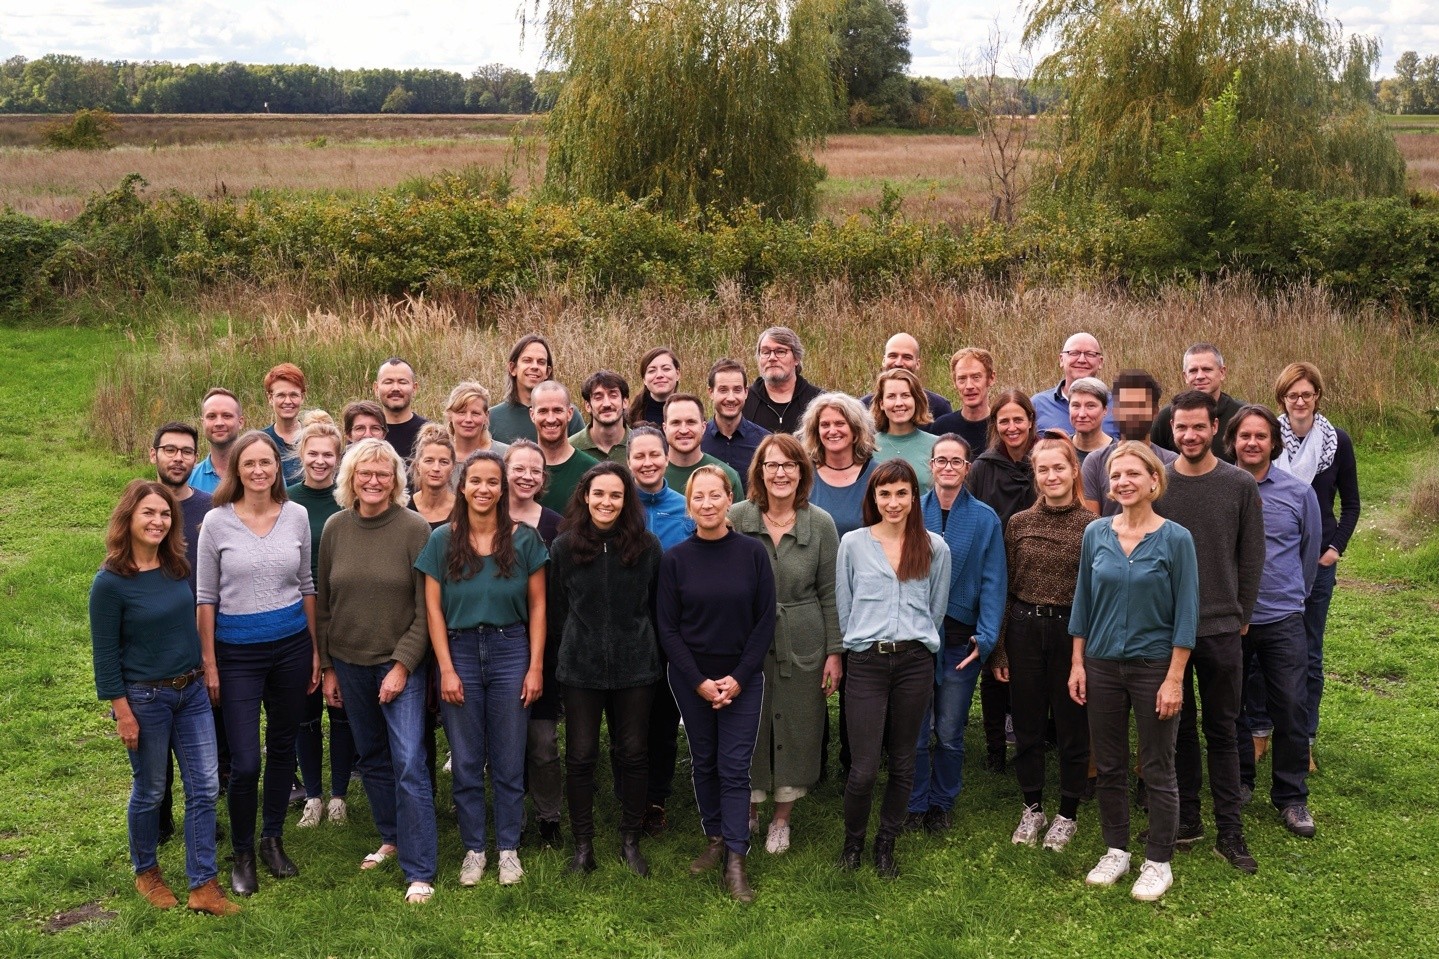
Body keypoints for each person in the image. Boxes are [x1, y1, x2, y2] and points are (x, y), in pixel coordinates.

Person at [89, 480, 239, 916]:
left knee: (205, 787)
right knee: (152, 789)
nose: (158, 521)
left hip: (190, 691)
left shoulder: (177, 565)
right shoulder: (111, 583)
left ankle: (203, 884)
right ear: (128, 520)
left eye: (165, 514)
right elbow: (104, 655)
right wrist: (122, 712)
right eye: (148, 513)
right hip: (145, 698)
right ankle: (146, 871)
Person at [1068, 441, 1198, 902]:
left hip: (1153, 668)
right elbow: (1083, 601)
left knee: (1158, 766)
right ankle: (1116, 849)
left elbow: (1187, 614)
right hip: (1101, 665)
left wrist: (1175, 677)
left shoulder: (1176, 539)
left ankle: (1158, 860)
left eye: (1131, 475)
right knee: (1109, 764)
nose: (1122, 482)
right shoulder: (1096, 534)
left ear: (1152, 481)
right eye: (1115, 476)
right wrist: (1078, 662)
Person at [416, 451, 548, 887]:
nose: (484, 489)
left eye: (493, 482)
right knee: (468, 759)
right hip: (460, 651)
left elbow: (539, 606)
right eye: (476, 481)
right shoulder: (441, 540)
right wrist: (446, 669)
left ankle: (507, 847)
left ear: (503, 489)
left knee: (510, 758)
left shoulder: (525, 540)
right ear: (462, 486)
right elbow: (433, 610)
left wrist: (535, 667)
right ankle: (475, 848)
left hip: (512, 649)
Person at [196, 431, 318, 896]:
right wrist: (209, 661)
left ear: (278, 467)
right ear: (236, 470)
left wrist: (314, 648)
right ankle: (242, 852)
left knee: (283, 748)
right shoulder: (217, 523)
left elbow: (306, 583)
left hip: (290, 646)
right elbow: (206, 597)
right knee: (246, 761)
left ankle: (272, 840)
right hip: (236, 655)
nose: (259, 471)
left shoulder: (297, 516)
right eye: (250, 464)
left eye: (267, 462)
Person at [315, 439, 437, 903]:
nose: (373, 481)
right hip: (348, 662)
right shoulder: (334, 528)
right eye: (364, 473)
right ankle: (392, 837)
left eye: (382, 473)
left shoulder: (414, 528)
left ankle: (420, 869)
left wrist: (404, 665)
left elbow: (426, 609)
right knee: (373, 759)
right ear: (350, 478)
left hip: (397, 664)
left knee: (409, 761)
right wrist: (328, 667)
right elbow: (326, 603)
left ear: (396, 480)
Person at [1154, 390, 1266, 874]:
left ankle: (1230, 831)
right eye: (1181, 427)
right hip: (1166, 628)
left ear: (1216, 427)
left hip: (1221, 627)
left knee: (1222, 730)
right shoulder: (1161, 486)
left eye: (1198, 426)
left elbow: (1252, 555)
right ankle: (1186, 820)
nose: (1189, 435)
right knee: (1175, 730)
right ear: (1171, 429)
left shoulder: (1238, 484)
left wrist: (1242, 611)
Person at [658, 466, 777, 902]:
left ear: (731, 499)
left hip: (742, 677)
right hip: (692, 679)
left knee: (733, 766)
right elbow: (668, 629)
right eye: (698, 498)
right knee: (704, 760)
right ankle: (715, 838)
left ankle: (736, 859)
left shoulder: (752, 553)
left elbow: (765, 620)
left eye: (715, 495)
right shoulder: (675, 560)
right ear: (689, 506)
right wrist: (700, 682)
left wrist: (739, 678)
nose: (707, 504)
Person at [836, 460, 951, 878]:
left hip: (913, 663)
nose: (894, 502)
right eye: (884, 494)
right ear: (873, 498)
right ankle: (853, 843)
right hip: (867, 662)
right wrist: (859, 645)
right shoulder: (852, 543)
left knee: (904, 760)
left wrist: (914, 640)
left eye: (902, 493)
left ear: (913, 497)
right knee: (864, 768)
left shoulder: (935, 547)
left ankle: (886, 842)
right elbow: (844, 605)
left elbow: (936, 609)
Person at [548, 462, 664, 875]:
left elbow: (655, 606)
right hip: (580, 669)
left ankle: (630, 841)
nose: (606, 502)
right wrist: (572, 650)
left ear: (626, 500)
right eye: (599, 494)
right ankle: (583, 847)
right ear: (585, 497)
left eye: (616, 495)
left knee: (632, 753)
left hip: (636, 667)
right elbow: (557, 610)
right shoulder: (564, 547)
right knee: (580, 756)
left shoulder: (646, 546)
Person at [729, 434, 842, 855]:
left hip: (803, 635)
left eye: (789, 466)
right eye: (771, 465)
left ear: (802, 472)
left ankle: (782, 817)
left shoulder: (820, 523)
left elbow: (830, 593)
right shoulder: (738, 518)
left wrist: (834, 652)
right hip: (747, 638)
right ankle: (750, 806)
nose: (780, 473)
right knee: (750, 722)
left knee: (799, 723)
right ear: (759, 472)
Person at [1226, 405, 1321, 837]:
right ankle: (1241, 780)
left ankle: (1291, 796)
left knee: (1290, 706)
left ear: (1273, 442)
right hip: (1231, 618)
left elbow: (1308, 554)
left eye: (1260, 436)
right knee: (1233, 705)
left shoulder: (1299, 494)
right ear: (1232, 441)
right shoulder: (1221, 489)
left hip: (1282, 616)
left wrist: (1291, 598)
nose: (1251, 443)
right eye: (1244, 436)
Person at [906, 434, 1006, 834]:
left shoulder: (985, 518)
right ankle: (914, 802)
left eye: (956, 461)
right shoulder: (911, 512)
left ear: (968, 468)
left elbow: (994, 579)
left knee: (948, 728)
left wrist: (986, 638)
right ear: (930, 466)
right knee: (914, 728)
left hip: (960, 639)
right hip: (915, 634)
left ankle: (942, 802)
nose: (948, 467)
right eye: (941, 460)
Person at [1002, 436, 1095, 851]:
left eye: (1059, 468)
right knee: (1027, 724)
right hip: (1024, 628)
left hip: (1070, 633)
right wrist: (1002, 648)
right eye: (1043, 469)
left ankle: (1067, 813)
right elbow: (1005, 587)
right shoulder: (1019, 523)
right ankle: (1032, 806)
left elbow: (1095, 593)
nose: (1052, 476)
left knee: (1073, 725)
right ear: (1034, 475)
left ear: (1074, 470)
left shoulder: (1093, 526)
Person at [1272, 362, 1360, 764]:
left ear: (1317, 396)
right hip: (1275, 557)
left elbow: (1351, 504)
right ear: (1283, 399)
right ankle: (1260, 732)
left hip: (1318, 559)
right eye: (1293, 395)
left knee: (1309, 649)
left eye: (1307, 394)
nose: (1300, 401)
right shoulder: (1266, 437)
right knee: (1263, 646)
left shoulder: (1336, 441)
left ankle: (1304, 738)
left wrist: (1334, 548)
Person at [148, 420, 220, 843]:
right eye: (170, 450)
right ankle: (159, 815)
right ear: (153, 454)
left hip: (204, 634)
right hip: (156, 641)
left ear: (196, 458)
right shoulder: (142, 502)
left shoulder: (210, 507)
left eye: (186, 451)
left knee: (207, 730)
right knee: (156, 736)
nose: (178, 458)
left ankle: (208, 811)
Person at [286, 413, 355, 829]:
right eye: (313, 453)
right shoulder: (287, 500)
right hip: (295, 615)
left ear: (338, 457)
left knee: (340, 704)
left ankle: (340, 795)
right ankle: (312, 793)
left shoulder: (347, 501)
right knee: (304, 708)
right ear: (301, 455)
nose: (320, 461)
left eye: (328, 455)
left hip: (340, 613)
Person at [965, 389, 1038, 773]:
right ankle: (995, 747)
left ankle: (1035, 737)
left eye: (1018, 419)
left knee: (1030, 665)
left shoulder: (1044, 460)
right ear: (995, 425)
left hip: (1036, 574)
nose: (1012, 428)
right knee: (994, 663)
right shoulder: (982, 468)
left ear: (1030, 420)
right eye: (1004, 421)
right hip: (994, 575)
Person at [504, 439, 564, 846]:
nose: (526, 476)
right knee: (504, 741)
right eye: (518, 468)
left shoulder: (556, 525)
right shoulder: (483, 520)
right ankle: (512, 815)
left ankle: (549, 817)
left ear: (544, 478)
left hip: (544, 645)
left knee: (542, 742)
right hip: (496, 644)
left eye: (534, 470)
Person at [1081, 370, 1177, 517]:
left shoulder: (1171, 462)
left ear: (1155, 412)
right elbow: (1091, 524)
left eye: (1140, 405)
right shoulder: (1095, 462)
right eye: (1126, 405)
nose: (1132, 412)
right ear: (1115, 410)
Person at [801, 392, 878, 540]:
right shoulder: (802, 473)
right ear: (816, 431)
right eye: (824, 425)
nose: (832, 431)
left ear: (855, 429)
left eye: (840, 423)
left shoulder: (875, 475)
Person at [1152, 343, 1245, 460]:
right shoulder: (1166, 416)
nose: (1200, 376)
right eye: (1193, 371)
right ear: (1185, 376)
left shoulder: (1241, 414)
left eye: (1207, 369)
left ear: (1222, 372)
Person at [489, 333, 584, 443]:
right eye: (527, 360)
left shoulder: (567, 415)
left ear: (548, 372)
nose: (534, 366)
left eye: (541, 362)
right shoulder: (492, 418)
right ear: (513, 368)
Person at [1030, 332, 1119, 438]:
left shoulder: (1119, 406)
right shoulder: (1038, 404)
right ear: (1061, 359)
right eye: (1074, 353)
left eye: (1090, 354)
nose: (1081, 360)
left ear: (1100, 362)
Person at [702, 358, 770, 491]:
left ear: (746, 392)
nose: (731, 398)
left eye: (737, 390)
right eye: (723, 390)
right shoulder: (698, 440)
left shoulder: (765, 442)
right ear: (710, 392)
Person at [531, 380, 600, 512]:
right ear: (532, 415)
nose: (551, 419)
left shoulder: (592, 470)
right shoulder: (520, 472)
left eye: (557, 410)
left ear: (569, 413)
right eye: (543, 411)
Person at [742, 326, 824, 435]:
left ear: (796, 358)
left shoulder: (818, 401)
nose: (772, 358)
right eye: (765, 352)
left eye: (780, 351)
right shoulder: (743, 401)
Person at [663, 393, 744, 498]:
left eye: (691, 422)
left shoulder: (728, 476)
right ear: (665, 429)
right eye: (676, 423)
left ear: (703, 427)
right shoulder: (650, 474)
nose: (683, 430)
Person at [859, 332, 954, 418]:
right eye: (893, 356)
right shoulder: (863, 407)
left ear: (917, 364)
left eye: (907, 357)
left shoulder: (939, 406)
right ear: (884, 360)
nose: (899, 363)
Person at [872, 368, 938, 491]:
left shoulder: (937, 446)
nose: (899, 403)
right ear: (881, 403)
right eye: (891, 396)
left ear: (916, 400)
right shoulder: (868, 446)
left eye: (905, 395)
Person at [931, 347, 997, 455]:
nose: (969, 386)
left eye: (976, 377)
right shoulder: (941, 428)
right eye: (962, 379)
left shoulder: (1002, 427)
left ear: (991, 378)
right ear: (954, 382)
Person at [189, 388, 245, 494]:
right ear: (203, 423)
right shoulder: (189, 478)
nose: (219, 423)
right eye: (211, 416)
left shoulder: (262, 474)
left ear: (241, 422)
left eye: (226, 416)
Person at [572, 369, 633, 463]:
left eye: (613, 395)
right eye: (598, 397)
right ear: (588, 406)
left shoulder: (642, 446)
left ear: (625, 402)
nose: (606, 404)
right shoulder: (571, 449)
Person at [373, 357, 429, 460]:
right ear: (376, 388)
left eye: (402, 382)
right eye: (388, 382)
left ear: (414, 388)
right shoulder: (366, 433)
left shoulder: (429, 433)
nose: (395, 388)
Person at [261, 363, 307, 484]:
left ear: (302, 397)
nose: (288, 401)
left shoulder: (315, 437)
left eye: (293, 395)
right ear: (270, 398)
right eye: (281, 395)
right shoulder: (261, 441)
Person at [443, 381, 508, 467]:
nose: (468, 419)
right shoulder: (438, 457)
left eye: (475, 413)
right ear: (450, 415)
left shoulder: (506, 455)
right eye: (461, 412)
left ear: (486, 416)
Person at [409, 423, 457, 528]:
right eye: (429, 461)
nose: (436, 468)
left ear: (453, 467)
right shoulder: (404, 508)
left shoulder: (463, 510)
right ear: (418, 465)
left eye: (443, 462)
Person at [628, 346, 681, 426]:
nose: (659, 375)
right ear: (644, 379)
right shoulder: (630, 417)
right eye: (652, 371)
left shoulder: (691, 411)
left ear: (677, 374)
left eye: (666, 369)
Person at [1067, 377, 1113, 463]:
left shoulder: (1118, 453)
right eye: (1076, 406)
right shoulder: (1059, 450)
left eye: (1090, 406)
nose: (1082, 414)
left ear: (1105, 410)